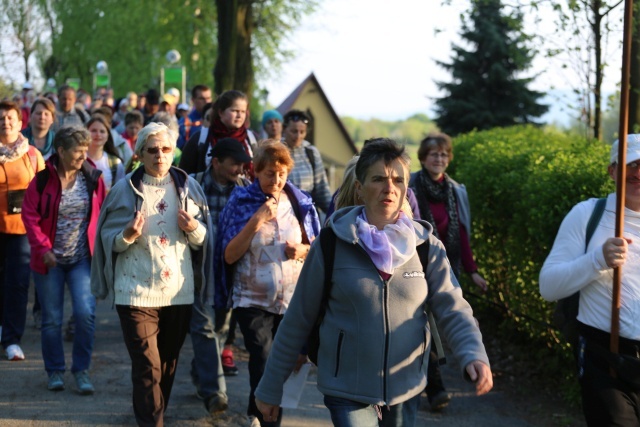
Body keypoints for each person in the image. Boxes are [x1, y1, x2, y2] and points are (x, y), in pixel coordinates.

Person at [254, 138, 492, 427]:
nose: (389, 187)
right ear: (359, 188)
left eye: (397, 179)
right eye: (378, 178)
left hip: (406, 386)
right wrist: (270, 387)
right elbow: (298, 318)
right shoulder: (331, 243)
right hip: (345, 387)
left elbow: (453, 307)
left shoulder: (425, 246)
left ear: (406, 189)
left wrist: (473, 354)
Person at [91, 122, 214, 427]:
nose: (160, 155)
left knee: (167, 366)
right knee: (148, 366)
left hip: (177, 292)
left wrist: (193, 228)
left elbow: (204, 239)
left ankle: (153, 415)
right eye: (153, 150)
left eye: (166, 149)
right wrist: (127, 235)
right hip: (134, 291)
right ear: (140, 153)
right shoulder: (124, 190)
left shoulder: (190, 187)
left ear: (174, 152)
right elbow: (107, 239)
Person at [216, 141, 321, 426]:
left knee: (284, 362)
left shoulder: (300, 203)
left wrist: (303, 250)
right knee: (263, 357)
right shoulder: (241, 202)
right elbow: (228, 255)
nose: (276, 180)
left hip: (290, 300)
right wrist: (257, 220)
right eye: (269, 174)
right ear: (255, 172)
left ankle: (262, 416)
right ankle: (262, 417)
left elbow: (318, 248)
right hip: (251, 299)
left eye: (282, 173)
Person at [539, 135, 640, 426]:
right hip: (604, 360)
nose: (637, 172)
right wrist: (597, 260)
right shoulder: (587, 215)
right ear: (612, 171)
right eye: (630, 164)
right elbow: (549, 286)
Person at [21, 126, 106, 393]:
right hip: (49, 262)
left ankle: (81, 371)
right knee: (52, 319)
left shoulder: (93, 178)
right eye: (78, 152)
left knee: (85, 315)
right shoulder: (42, 181)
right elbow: (29, 216)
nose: (83, 156)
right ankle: (55, 371)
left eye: (85, 151)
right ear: (61, 151)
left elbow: (103, 213)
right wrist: (43, 248)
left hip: (82, 260)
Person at [409, 132, 488, 410]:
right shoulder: (410, 187)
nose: (439, 159)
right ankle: (435, 387)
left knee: (442, 324)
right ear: (423, 157)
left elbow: (461, 234)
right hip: (415, 265)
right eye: (434, 154)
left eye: (444, 154)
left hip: (446, 269)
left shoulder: (456, 191)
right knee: (423, 324)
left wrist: (472, 270)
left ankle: (432, 381)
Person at [189, 137, 252, 416]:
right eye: (234, 163)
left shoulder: (244, 190)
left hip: (228, 270)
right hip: (196, 268)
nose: (240, 168)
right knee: (204, 326)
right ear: (216, 162)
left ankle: (200, 372)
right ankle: (216, 391)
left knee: (221, 328)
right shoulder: (192, 185)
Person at [0, 101, 45, 361]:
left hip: (21, 229)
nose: (5, 122)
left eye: (10, 118)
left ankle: (12, 339)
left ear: (19, 123)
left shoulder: (32, 154)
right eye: (1, 118)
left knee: (17, 283)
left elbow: (43, 190)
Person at [179, 90, 255, 176]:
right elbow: (184, 175)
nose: (239, 116)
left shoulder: (250, 138)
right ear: (221, 112)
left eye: (243, 111)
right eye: (234, 111)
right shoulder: (201, 138)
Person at [282, 109, 332, 214]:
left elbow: (322, 189)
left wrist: (334, 215)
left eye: (302, 132)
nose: (298, 136)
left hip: (307, 214)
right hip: (282, 212)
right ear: (284, 129)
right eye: (294, 131)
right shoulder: (275, 151)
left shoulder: (311, 152)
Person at [86, 115, 125, 191]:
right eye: (93, 130)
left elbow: (120, 191)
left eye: (102, 131)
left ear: (108, 135)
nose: (98, 134)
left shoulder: (115, 163)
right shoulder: (78, 160)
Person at [178, 84, 212, 149]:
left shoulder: (219, 120)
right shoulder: (184, 123)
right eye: (202, 98)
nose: (207, 101)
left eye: (208, 98)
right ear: (193, 100)